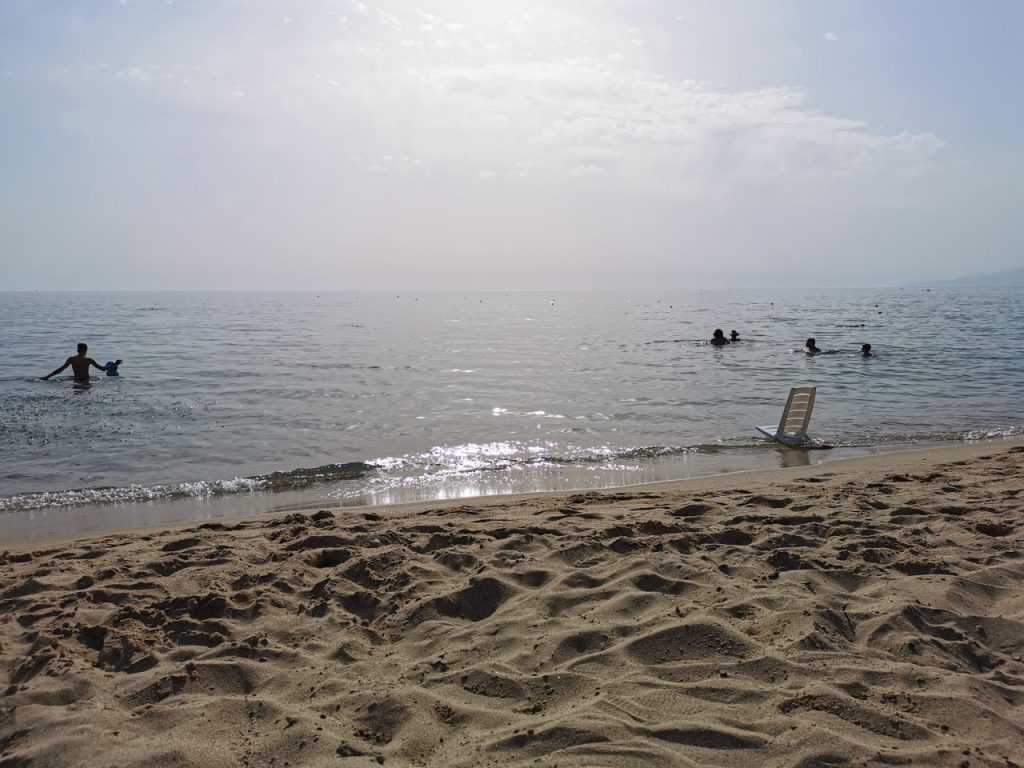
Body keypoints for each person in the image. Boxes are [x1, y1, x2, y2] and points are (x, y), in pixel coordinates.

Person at [42, 343, 121, 382]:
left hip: (76, 382)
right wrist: (115, 364)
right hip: (87, 382)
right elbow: (103, 369)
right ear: (86, 350)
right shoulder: (89, 360)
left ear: (77, 350)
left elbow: (60, 369)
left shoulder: (71, 359)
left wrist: (47, 376)